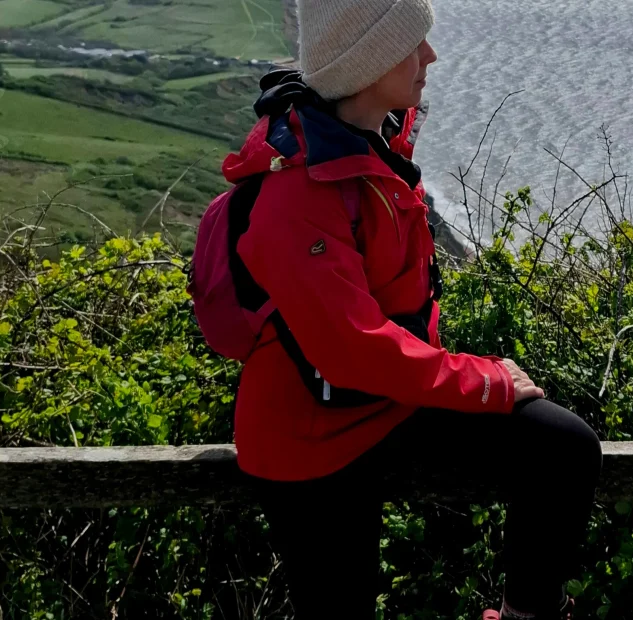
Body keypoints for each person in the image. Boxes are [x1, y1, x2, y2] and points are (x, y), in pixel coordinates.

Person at [224, 0, 604, 617]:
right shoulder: (293, 192)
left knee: (563, 449)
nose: (430, 56)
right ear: (367, 62)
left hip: (392, 398)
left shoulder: (375, 146)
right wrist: (484, 382)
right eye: (413, 44)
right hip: (310, 435)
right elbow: (354, 348)